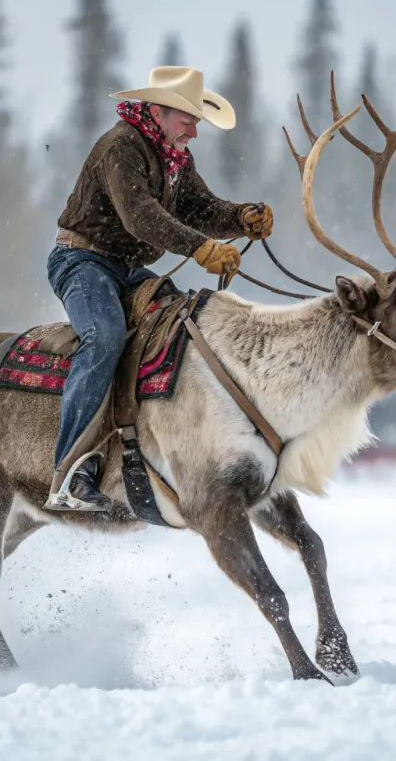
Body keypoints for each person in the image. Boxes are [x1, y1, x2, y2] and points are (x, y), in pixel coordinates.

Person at [45, 66, 274, 511]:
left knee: (186, 328)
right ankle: (69, 474)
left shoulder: (174, 158)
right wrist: (202, 248)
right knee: (105, 335)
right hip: (82, 260)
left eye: (196, 120)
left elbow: (199, 207)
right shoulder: (121, 147)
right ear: (159, 111)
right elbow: (141, 217)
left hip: (126, 269)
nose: (194, 129)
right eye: (187, 118)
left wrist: (241, 217)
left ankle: (158, 446)